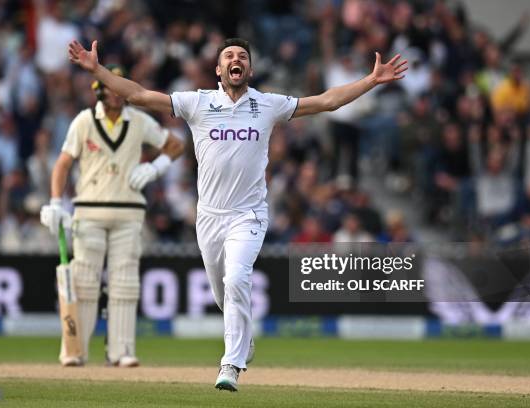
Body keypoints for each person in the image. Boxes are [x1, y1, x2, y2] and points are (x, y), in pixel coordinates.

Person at [68, 37, 407, 390]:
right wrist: (97, 70)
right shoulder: (197, 102)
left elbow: (325, 101)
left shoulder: (267, 105)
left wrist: (370, 81)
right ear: (218, 69)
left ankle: (230, 364)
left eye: (242, 56)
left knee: (237, 279)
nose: (236, 59)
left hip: (249, 214)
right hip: (209, 216)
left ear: (249, 68)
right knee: (222, 291)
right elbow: (138, 95)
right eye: (229, 55)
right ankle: (243, 338)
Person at [40, 65, 184, 367]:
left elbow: (176, 145)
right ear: (99, 90)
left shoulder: (139, 121)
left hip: (129, 212)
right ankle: (75, 351)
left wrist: (155, 168)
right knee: (83, 283)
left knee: (125, 283)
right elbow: (63, 164)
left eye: (121, 88)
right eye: (111, 88)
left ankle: (121, 351)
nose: (117, 94)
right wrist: (55, 202)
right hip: (89, 211)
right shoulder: (84, 121)